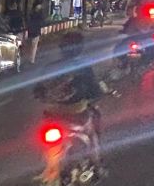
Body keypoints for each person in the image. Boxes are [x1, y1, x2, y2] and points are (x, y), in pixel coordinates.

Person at [38, 30, 106, 168]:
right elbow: (94, 90)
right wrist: (97, 95)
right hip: (77, 114)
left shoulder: (49, 67)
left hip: (52, 114)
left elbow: (38, 89)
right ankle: (96, 160)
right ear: (80, 48)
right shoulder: (84, 67)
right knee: (95, 120)